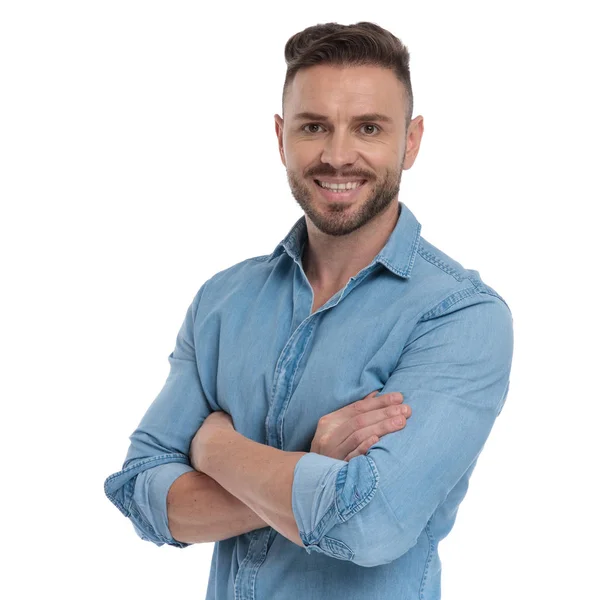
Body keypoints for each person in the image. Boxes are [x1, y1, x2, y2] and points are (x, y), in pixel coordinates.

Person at [104, 21, 514, 600]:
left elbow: (367, 524)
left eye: (368, 127)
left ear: (411, 140)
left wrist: (213, 448)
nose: (337, 155)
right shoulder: (223, 301)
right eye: (314, 126)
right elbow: (142, 495)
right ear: (280, 137)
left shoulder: (460, 317)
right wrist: (313, 468)